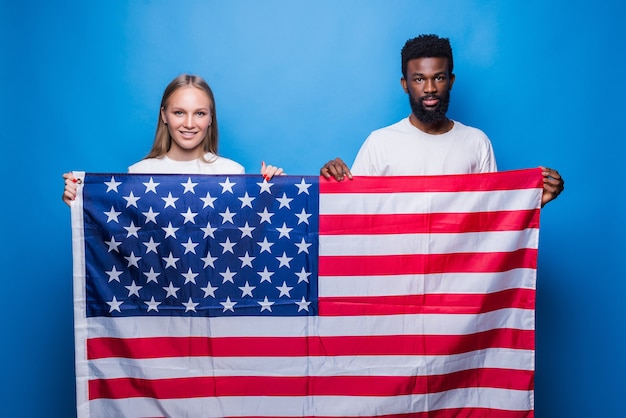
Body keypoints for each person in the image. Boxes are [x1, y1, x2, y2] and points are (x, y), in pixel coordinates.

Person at [320, 34, 564, 207]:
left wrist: (533, 202)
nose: (429, 88)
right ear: (405, 84)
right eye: (418, 79)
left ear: (451, 81)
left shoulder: (476, 142)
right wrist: (332, 182)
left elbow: (490, 216)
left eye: (438, 77)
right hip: (398, 275)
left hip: (458, 275)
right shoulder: (380, 143)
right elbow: (355, 211)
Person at [63, 74, 283, 205]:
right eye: (179, 112)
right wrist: (81, 201)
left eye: (199, 113)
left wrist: (271, 194)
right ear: (164, 115)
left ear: (210, 118)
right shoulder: (139, 173)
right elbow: (122, 238)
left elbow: (246, 238)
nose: (189, 123)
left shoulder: (233, 172)